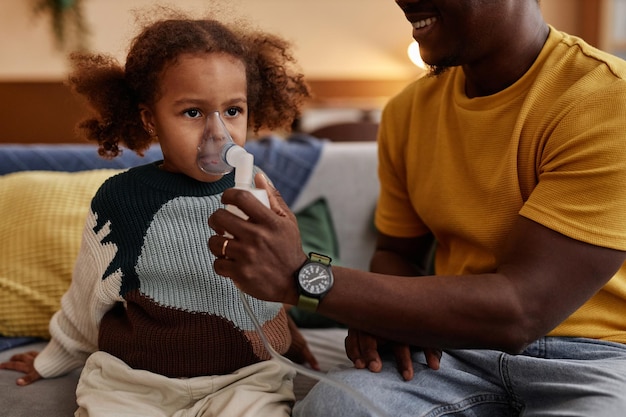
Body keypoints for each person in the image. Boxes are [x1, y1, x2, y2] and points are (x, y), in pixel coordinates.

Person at [206, 0, 626, 416]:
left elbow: (522, 310)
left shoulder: (607, 98)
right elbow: (395, 253)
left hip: (599, 359)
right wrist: (394, 320)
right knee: (335, 407)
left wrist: (302, 277)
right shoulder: (409, 110)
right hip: (455, 351)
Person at [0, 9, 316, 417]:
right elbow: (87, 297)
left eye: (233, 111)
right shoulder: (121, 200)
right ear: (151, 119)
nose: (218, 134)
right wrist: (53, 359)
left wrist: (292, 325)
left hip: (247, 379)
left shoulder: (258, 186)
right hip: (135, 383)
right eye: (192, 113)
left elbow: (288, 265)